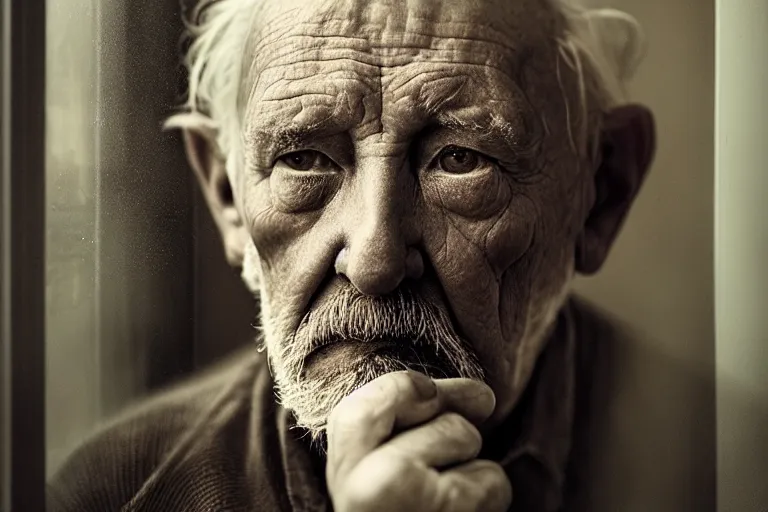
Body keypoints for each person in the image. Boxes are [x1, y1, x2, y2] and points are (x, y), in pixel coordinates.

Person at [47, 0, 657, 510]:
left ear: (600, 193)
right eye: (304, 159)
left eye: (461, 159)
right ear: (227, 193)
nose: (374, 261)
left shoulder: (726, 464)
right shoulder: (116, 493)